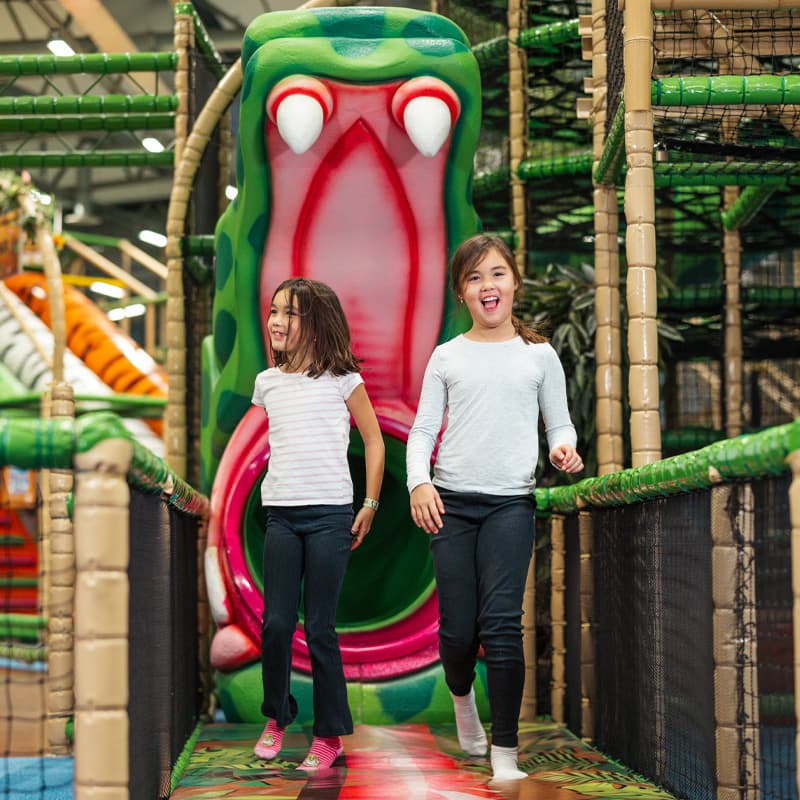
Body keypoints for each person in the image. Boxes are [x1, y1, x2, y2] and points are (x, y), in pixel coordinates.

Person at [406, 234, 583, 781]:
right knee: (458, 633)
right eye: (475, 277)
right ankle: (462, 700)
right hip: (452, 505)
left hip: (511, 504)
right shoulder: (446, 356)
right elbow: (422, 431)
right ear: (462, 292)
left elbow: (559, 423)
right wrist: (418, 484)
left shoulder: (539, 355)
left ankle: (505, 752)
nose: (488, 285)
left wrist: (564, 447)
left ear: (514, 283)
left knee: (502, 625)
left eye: (497, 273)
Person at [252, 277, 385, 770]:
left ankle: (329, 736)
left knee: (321, 628)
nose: (277, 321)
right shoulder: (267, 382)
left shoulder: (343, 379)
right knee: (276, 624)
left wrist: (370, 502)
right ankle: (277, 715)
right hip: (282, 516)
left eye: (289, 313)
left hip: (331, 516)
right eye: (274, 311)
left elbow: (374, 440)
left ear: (314, 323)